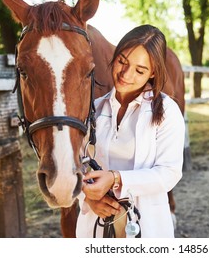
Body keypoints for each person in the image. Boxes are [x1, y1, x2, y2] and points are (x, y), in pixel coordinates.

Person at [76, 24, 185, 238]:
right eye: (122, 62)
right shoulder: (93, 109)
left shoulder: (167, 111)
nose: (125, 74)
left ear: (153, 72)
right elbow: (75, 166)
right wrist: (88, 199)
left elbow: (169, 173)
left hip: (147, 227)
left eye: (140, 70)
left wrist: (116, 179)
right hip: (94, 227)